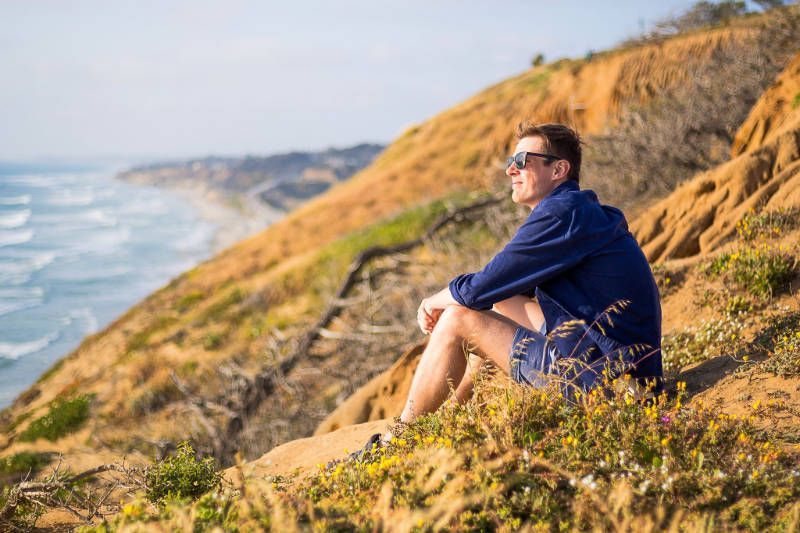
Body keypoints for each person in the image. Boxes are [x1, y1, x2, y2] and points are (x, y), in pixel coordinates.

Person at [354, 122, 663, 457]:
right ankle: (448, 419)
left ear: (559, 169)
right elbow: (495, 288)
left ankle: (397, 443)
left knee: (458, 319)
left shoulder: (562, 214)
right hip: (626, 378)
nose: (510, 169)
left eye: (522, 159)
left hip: (610, 390)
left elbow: (478, 288)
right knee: (499, 302)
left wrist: (434, 301)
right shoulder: (579, 211)